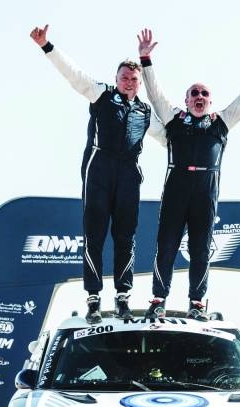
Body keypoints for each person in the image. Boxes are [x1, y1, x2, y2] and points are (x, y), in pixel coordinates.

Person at [30, 24, 166, 323]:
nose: (129, 82)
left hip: (129, 174)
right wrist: (47, 46)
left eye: (134, 79)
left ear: (139, 84)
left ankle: (123, 298)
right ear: (116, 79)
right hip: (99, 171)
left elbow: (172, 140)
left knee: (125, 237)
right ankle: (93, 298)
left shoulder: (145, 113)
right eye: (124, 78)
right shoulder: (101, 94)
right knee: (94, 235)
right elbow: (73, 74)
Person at [137, 29, 240, 321]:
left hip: (205, 194)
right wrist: (145, 60)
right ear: (186, 101)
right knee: (167, 248)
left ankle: (197, 303)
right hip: (176, 191)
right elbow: (156, 95)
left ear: (210, 101)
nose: (200, 97)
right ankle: (158, 299)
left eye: (204, 94)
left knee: (200, 251)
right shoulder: (173, 120)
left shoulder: (221, 123)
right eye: (194, 94)